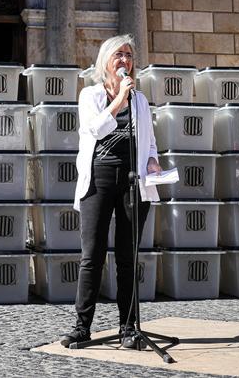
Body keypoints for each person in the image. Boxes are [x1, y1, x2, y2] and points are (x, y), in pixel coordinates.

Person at [60, 34, 161, 350]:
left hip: (133, 180)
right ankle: (82, 327)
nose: (125, 60)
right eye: (119, 55)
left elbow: (150, 141)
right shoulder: (90, 95)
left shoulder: (140, 100)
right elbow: (96, 129)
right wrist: (118, 101)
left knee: (128, 257)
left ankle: (129, 327)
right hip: (99, 178)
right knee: (92, 255)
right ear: (106, 61)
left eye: (129, 55)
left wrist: (154, 161)